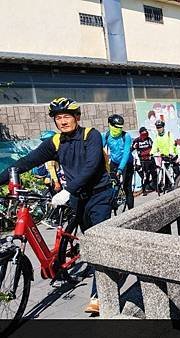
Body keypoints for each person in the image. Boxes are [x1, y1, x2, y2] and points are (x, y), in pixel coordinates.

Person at [0, 97, 111, 315]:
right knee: (83, 238)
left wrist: (68, 190)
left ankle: (100, 293)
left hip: (99, 195)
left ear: (76, 117)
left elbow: (92, 166)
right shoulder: (56, 142)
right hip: (77, 197)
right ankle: (61, 264)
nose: (62, 121)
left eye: (66, 116)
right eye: (58, 118)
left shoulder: (92, 135)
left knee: (99, 244)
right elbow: (27, 161)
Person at [103, 114, 134, 210]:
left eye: (121, 127)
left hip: (127, 163)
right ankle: (114, 200)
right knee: (111, 184)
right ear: (110, 125)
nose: (119, 130)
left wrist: (120, 169)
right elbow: (98, 150)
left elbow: (125, 154)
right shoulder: (106, 135)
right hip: (114, 162)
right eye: (116, 127)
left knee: (127, 187)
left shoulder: (126, 136)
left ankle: (131, 211)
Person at [132, 127, 156, 196]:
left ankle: (156, 187)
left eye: (146, 132)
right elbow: (131, 149)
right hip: (142, 161)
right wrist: (134, 147)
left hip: (150, 159)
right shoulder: (137, 140)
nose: (145, 134)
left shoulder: (149, 139)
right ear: (140, 133)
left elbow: (153, 147)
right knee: (144, 176)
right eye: (143, 133)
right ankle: (144, 189)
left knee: (154, 174)